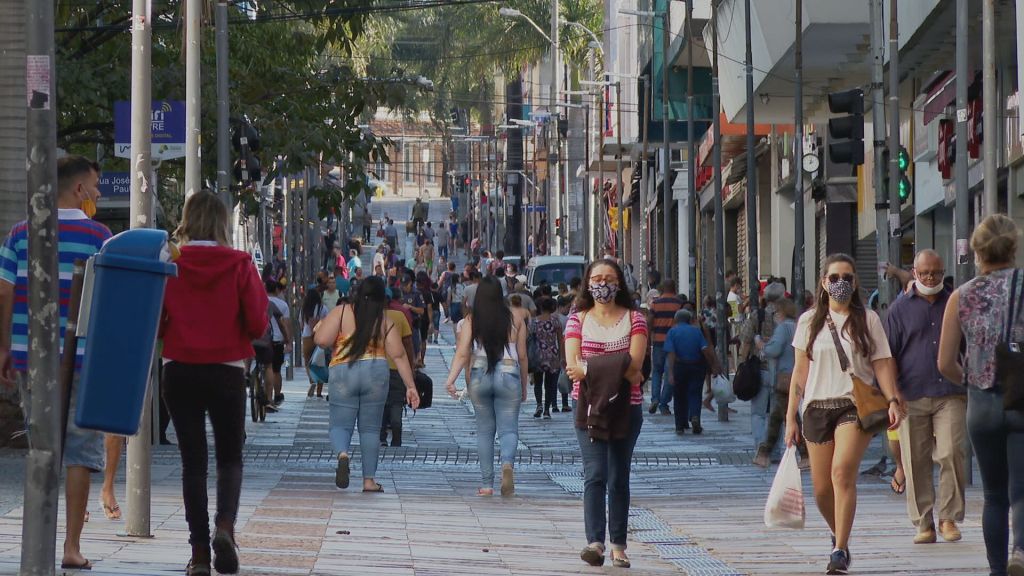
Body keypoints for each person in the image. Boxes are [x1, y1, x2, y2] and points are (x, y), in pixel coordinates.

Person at [0, 156, 111, 570]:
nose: (99, 194)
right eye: (96, 186)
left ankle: (39, 541)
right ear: (79, 190)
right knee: (80, 450)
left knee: (42, 445)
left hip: (31, 356)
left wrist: (4, 346)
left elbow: (4, 292)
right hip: (82, 357)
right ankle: (71, 546)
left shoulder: (19, 233)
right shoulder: (99, 236)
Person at [160, 190, 269, 575]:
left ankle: (199, 553)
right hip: (226, 369)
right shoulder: (240, 263)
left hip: (179, 368)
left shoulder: (171, 261)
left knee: (193, 463)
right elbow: (258, 323)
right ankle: (225, 525)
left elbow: (156, 320)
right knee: (229, 456)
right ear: (223, 222)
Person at [785, 253, 903, 575]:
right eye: (834, 278)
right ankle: (839, 533)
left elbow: (881, 363)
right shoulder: (808, 321)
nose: (840, 283)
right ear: (823, 283)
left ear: (855, 282)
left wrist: (892, 399)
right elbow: (799, 372)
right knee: (821, 489)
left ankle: (839, 551)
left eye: (847, 277)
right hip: (815, 408)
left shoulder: (869, 320)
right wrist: (789, 418)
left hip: (854, 405)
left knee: (841, 473)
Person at [938, 214, 1024, 576]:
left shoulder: (961, 295)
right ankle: (1020, 549)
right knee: (1021, 490)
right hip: (1020, 398)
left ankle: (997, 570)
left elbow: (944, 362)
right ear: (1014, 248)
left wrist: (972, 380)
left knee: (993, 495)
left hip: (981, 404)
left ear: (977, 253)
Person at [564, 259, 648, 568]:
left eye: (609, 278)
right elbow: (573, 368)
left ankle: (619, 545)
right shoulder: (577, 320)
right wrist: (618, 365)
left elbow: (636, 367)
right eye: (597, 278)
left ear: (620, 283)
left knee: (618, 478)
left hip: (627, 408)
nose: (603, 284)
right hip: (587, 408)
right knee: (595, 474)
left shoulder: (635, 319)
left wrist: (591, 367)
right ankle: (595, 542)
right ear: (587, 283)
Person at [884, 249, 966, 544]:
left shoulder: (955, 302)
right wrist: (893, 394)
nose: (931, 278)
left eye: (936, 273)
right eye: (925, 273)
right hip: (911, 393)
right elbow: (888, 355)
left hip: (951, 392)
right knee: (914, 459)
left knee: (951, 452)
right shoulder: (898, 309)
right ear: (914, 273)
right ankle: (924, 523)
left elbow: (967, 346)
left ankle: (948, 518)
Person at [315, 276, 419, 492]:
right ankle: (369, 480)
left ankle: (343, 454)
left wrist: (320, 328)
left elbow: (322, 341)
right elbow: (399, 356)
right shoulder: (385, 321)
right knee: (371, 429)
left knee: (340, 425)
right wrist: (410, 386)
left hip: (344, 371)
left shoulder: (342, 312)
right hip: (376, 372)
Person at [444, 276, 528, 496]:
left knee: (484, 431)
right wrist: (525, 386)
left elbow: (463, 353)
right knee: (508, 428)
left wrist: (451, 379)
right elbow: (523, 356)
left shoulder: (473, 319)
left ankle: (487, 484)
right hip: (510, 373)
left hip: (480, 373)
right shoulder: (516, 317)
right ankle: (507, 465)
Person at [753, 298, 808, 468]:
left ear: (781, 312)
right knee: (785, 416)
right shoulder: (796, 326)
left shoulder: (783, 328)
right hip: (795, 376)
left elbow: (774, 349)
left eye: (775, 312)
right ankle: (803, 454)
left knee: (778, 416)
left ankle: (765, 452)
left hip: (785, 377)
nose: (774, 315)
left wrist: (761, 345)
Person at [739, 282, 785, 449]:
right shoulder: (787, 319)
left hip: (761, 370)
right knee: (776, 413)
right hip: (782, 372)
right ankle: (775, 449)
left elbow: (744, 339)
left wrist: (742, 363)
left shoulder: (756, 316)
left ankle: (760, 446)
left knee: (758, 413)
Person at [665, 308, 723, 435]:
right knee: (695, 393)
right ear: (690, 320)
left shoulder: (672, 332)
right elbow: (705, 349)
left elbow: (671, 353)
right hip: (696, 366)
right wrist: (712, 365)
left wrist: (670, 372)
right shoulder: (696, 332)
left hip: (679, 366)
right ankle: (695, 416)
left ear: (676, 320)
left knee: (679, 396)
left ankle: (679, 425)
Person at [380, 288, 416, 447]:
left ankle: (380, 437)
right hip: (397, 369)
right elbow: (408, 344)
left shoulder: (370, 318)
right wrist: (411, 367)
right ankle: (396, 437)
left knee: (379, 403)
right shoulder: (399, 316)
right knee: (396, 402)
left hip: (375, 368)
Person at [648, 280, 685, 415]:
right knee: (670, 373)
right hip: (673, 344)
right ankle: (664, 403)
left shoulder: (655, 304)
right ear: (674, 288)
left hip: (658, 341)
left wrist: (648, 340)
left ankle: (655, 399)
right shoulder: (678, 304)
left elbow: (649, 323)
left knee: (657, 372)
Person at [264, 280, 293, 412]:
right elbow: (285, 324)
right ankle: (275, 396)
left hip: (259, 339)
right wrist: (288, 341)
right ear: (277, 289)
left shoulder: (259, 301)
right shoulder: (283, 305)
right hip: (277, 341)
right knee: (275, 370)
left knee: (264, 367)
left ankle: (249, 374)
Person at [302, 286, 328, 398]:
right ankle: (319, 391)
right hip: (319, 337)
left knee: (308, 362)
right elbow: (327, 323)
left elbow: (301, 323)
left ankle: (312, 381)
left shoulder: (304, 309)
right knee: (319, 363)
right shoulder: (323, 308)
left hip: (306, 336)